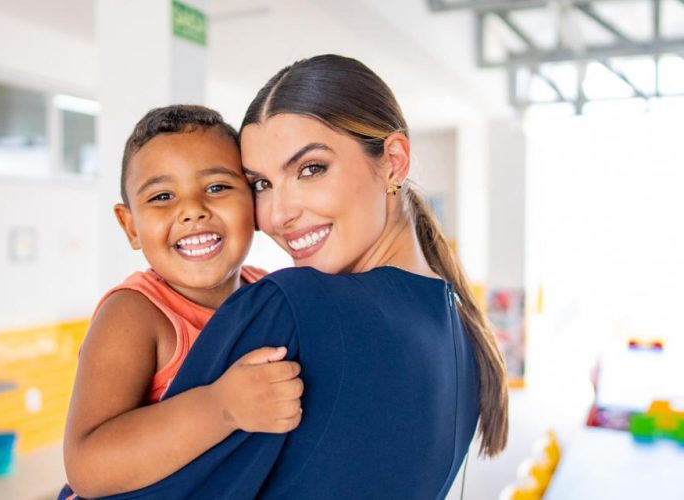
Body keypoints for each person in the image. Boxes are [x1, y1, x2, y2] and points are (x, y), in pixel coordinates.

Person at [104, 54, 509, 500]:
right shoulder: (464, 336)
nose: (277, 215)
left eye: (310, 169)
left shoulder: (290, 306)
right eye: (261, 184)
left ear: (393, 162)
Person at [61, 105, 304, 498]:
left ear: (254, 205)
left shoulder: (271, 295)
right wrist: (221, 407)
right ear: (130, 226)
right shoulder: (134, 314)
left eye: (217, 187)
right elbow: (87, 465)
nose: (192, 210)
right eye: (161, 196)